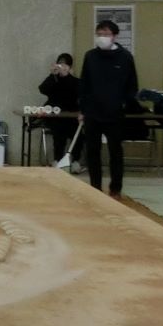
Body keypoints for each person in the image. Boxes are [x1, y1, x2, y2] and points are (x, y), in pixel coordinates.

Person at [79, 21, 138, 199]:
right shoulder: (90, 56)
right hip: (92, 112)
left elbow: (132, 85)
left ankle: (115, 189)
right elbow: (84, 84)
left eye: (105, 33)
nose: (102, 37)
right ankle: (95, 186)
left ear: (114, 36)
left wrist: (123, 103)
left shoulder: (125, 57)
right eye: (99, 33)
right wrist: (82, 109)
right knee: (92, 152)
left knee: (115, 152)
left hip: (114, 113)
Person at [36, 54, 80, 165]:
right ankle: (58, 159)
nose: (62, 67)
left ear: (70, 67)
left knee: (78, 132)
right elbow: (42, 89)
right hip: (55, 117)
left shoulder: (75, 81)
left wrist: (66, 76)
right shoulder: (54, 79)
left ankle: (75, 161)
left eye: (65, 65)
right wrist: (52, 75)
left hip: (72, 117)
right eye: (60, 64)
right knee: (59, 130)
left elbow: (77, 91)